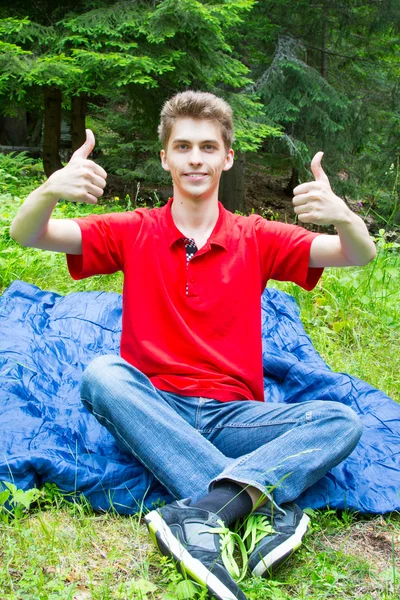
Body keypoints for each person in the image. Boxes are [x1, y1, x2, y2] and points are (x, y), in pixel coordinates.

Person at [11, 91, 376, 600]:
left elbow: (358, 254)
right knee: (101, 375)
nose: (196, 158)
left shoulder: (257, 235)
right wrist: (49, 190)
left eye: (208, 147)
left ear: (227, 157)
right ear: (166, 157)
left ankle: (203, 514)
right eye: (183, 147)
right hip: (154, 409)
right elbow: (28, 234)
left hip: (234, 419)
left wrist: (343, 215)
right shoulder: (133, 230)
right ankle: (260, 510)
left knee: (342, 420)